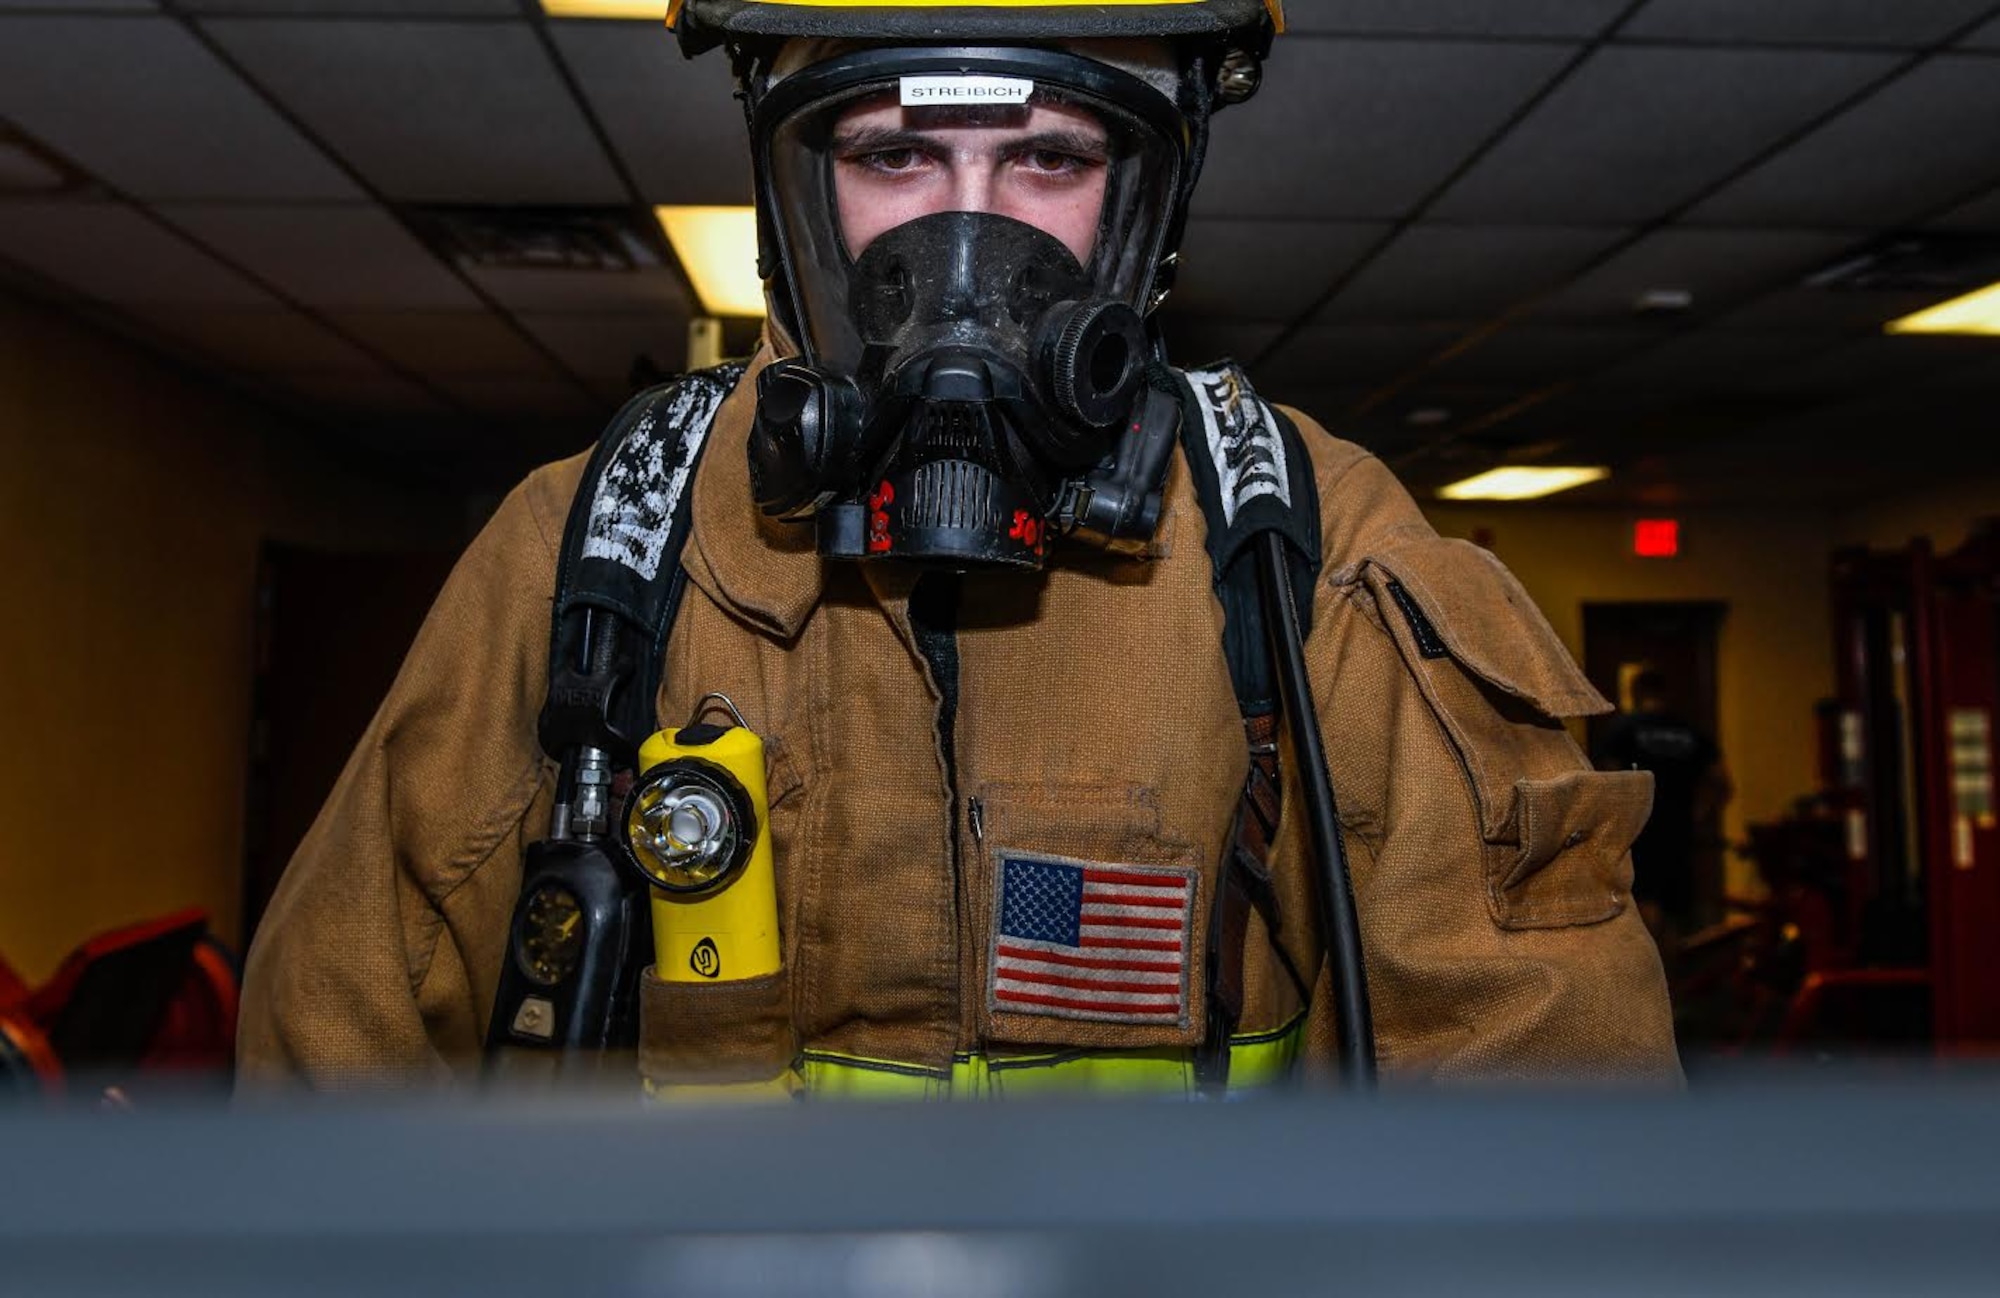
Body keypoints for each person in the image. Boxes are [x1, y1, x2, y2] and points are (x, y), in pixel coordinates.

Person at [237, 0, 1679, 1092]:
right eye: (894, 152)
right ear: (793, 199)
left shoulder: (1305, 543)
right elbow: (334, 1056)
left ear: (1142, 209)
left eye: (1051, 155)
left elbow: (1550, 1088)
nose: (969, 241)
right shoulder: (595, 543)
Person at [1595, 668, 1733, 941]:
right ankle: (1675, 975)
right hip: (1680, 832)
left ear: (1636, 693)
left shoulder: (1625, 730)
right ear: (1665, 694)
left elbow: (1607, 782)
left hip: (1640, 833)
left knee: (1646, 906)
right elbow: (1723, 783)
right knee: (1676, 911)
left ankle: (1654, 974)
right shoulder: (1689, 732)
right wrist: (1700, 813)